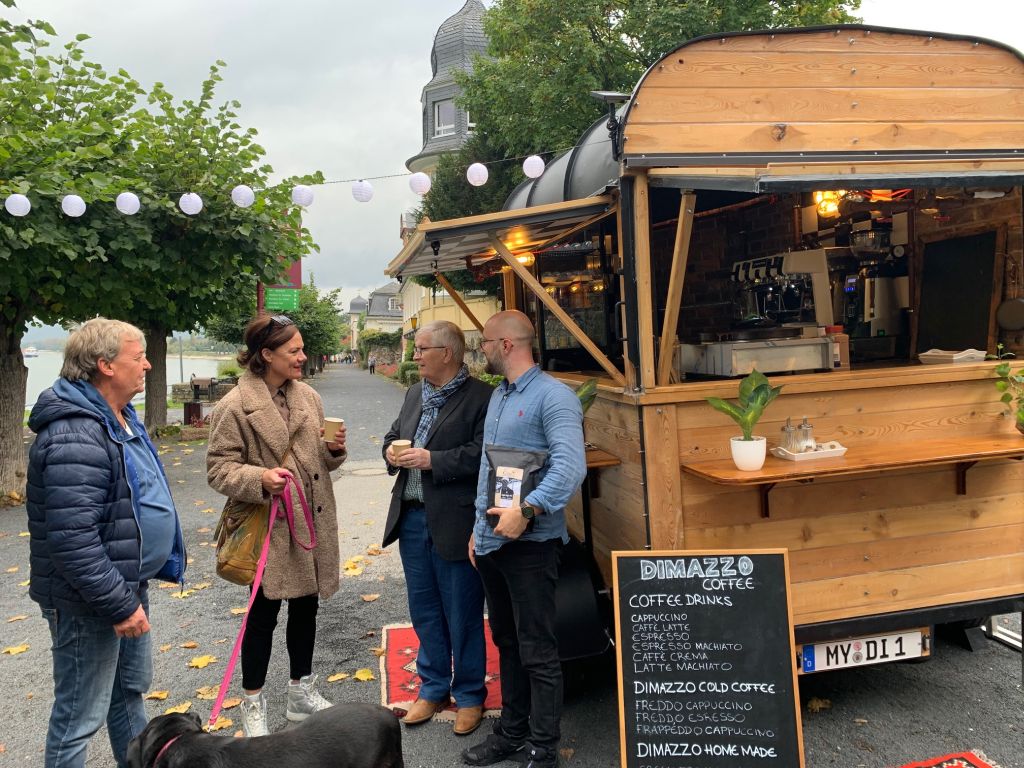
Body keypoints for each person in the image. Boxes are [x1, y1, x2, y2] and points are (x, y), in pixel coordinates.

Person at [26, 317, 187, 768]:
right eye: (138, 358)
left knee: (128, 699)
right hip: (90, 601)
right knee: (79, 717)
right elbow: (72, 541)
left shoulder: (119, 417)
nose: (149, 365)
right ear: (105, 365)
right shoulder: (74, 432)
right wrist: (119, 604)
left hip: (125, 586)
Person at [207, 313, 347, 737]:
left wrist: (333, 450)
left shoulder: (307, 396)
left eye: (302, 348)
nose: (304, 356)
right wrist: (259, 479)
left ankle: (300, 693)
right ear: (265, 355)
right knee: (261, 615)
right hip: (270, 526)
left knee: (307, 607)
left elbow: (320, 461)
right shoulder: (234, 406)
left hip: (311, 522)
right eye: (294, 351)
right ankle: (252, 702)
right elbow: (217, 468)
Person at [462, 311, 587, 768]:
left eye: (486, 342)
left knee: (537, 648)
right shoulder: (499, 396)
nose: (482, 349)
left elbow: (571, 469)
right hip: (494, 544)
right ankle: (511, 733)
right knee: (509, 643)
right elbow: (489, 472)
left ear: (508, 345)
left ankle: (543, 745)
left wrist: (528, 510)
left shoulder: (554, 398)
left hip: (531, 546)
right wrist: (478, 533)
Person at [382, 321, 493, 736]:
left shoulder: (482, 398)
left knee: (462, 610)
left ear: (447, 353)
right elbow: (394, 435)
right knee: (424, 609)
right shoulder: (415, 393)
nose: (415, 356)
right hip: (411, 517)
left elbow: (483, 454)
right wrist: (391, 453)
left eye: (422, 349)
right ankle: (432, 688)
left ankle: (469, 696)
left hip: (456, 519)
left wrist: (434, 461)